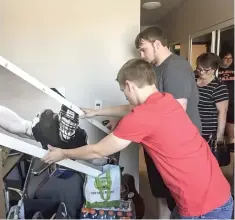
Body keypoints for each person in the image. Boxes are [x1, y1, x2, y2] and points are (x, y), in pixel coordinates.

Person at [42, 58, 233, 219]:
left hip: (203, 207)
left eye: (123, 91)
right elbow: (131, 108)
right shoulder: (166, 100)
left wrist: (63, 153)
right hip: (218, 192)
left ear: (129, 85)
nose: (125, 96)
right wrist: (97, 112)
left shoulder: (141, 117)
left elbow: (98, 150)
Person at [135, 26, 202, 215]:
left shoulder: (175, 66)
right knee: (161, 191)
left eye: (143, 49)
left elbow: (175, 111)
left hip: (179, 144)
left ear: (157, 44)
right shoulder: (156, 69)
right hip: (160, 142)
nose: (141, 54)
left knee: (180, 195)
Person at [196, 52, 229, 142]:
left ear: (214, 69)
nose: (201, 72)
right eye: (199, 69)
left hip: (207, 133)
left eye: (205, 70)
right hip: (191, 129)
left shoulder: (218, 86)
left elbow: (222, 112)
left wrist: (219, 136)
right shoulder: (193, 79)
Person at [218, 51, 234, 153]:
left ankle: (230, 158)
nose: (228, 60)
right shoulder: (216, 70)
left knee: (232, 134)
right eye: (226, 58)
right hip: (219, 103)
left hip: (232, 104)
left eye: (230, 58)